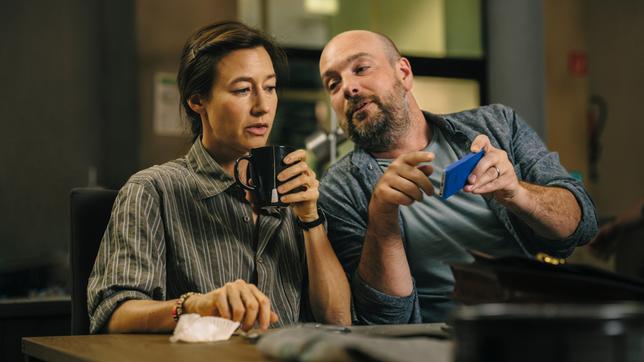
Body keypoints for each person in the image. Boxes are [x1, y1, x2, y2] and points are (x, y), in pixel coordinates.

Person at [317, 30, 598, 324]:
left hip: (531, 324)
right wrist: (382, 219)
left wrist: (517, 193)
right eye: (333, 84)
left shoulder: (496, 125)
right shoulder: (339, 189)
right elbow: (384, 318)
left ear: (403, 72)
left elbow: (581, 225)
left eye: (361, 69)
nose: (349, 88)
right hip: (431, 344)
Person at [87, 21, 350, 334]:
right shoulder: (154, 190)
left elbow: (338, 322)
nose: (263, 106)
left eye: (269, 87)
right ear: (197, 101)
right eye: (242, 90)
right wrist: (194, 305)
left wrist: (310, 219)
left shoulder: (291, 196)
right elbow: (113, 314)